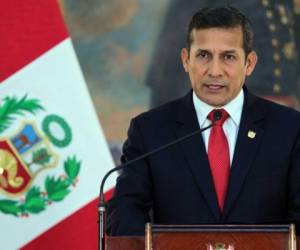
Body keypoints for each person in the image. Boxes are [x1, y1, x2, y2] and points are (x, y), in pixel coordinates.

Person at [106, 6, 300, 236]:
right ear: (186, 60)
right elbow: (125, 214)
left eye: (228, 57)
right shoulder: (150, 131)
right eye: (203, 55)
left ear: (249, 63)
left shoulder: (289, 128)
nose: (214, 71)